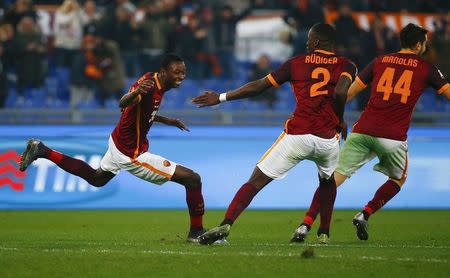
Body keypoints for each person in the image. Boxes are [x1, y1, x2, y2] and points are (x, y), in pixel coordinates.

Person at [192, 23, 357, 244]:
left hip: (298, 135)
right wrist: (340, 119)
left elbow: (259, 86)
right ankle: (324, 233)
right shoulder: (347, 65)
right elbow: (339, 92)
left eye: (309, 38)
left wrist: (221, 98)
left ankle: (226, 224)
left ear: (316, 41)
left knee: (256, 180)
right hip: (328, 139)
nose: (306, 42)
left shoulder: (296, 63)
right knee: (327, 183)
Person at [19, 54, 208, 243]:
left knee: (97, 178)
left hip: (117, 140)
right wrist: (134, 94)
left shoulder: (153, 78)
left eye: (183, 72)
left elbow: (142, 110)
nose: (181, 76)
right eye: (177, 72)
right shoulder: (148, 87)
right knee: (192, 179)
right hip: (130, 153)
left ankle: (43, 150)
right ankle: (196, 232)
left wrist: (166, 120)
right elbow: (123, 102)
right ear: (164, 71)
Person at [296, 23, 450, 241]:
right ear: (418, 45)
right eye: (424, 43)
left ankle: (306, 223)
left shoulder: (380, 61)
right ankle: (365, 213)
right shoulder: (426, 68)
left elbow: (347, 94)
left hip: (363, 131)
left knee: (331, 180)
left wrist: (331, 117)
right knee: (398, 178)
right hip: (393, 137)